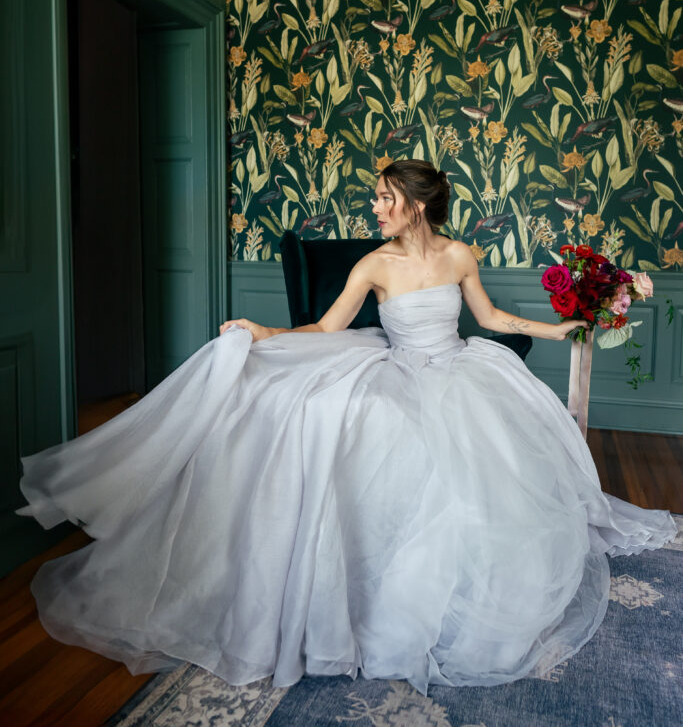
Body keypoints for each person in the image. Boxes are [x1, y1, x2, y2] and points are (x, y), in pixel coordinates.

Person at [18, 160, 675, 695]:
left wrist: (556, 328)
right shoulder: (372, 265)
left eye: (385, 199)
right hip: (396, 368)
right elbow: (328, 329)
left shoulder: (458, 255)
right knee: (359, 426)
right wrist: (262, 332)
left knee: (490, 467)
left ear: (416, 205)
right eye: (377, 199)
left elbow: (493, 318)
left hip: (460, 371)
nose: (377, 209)